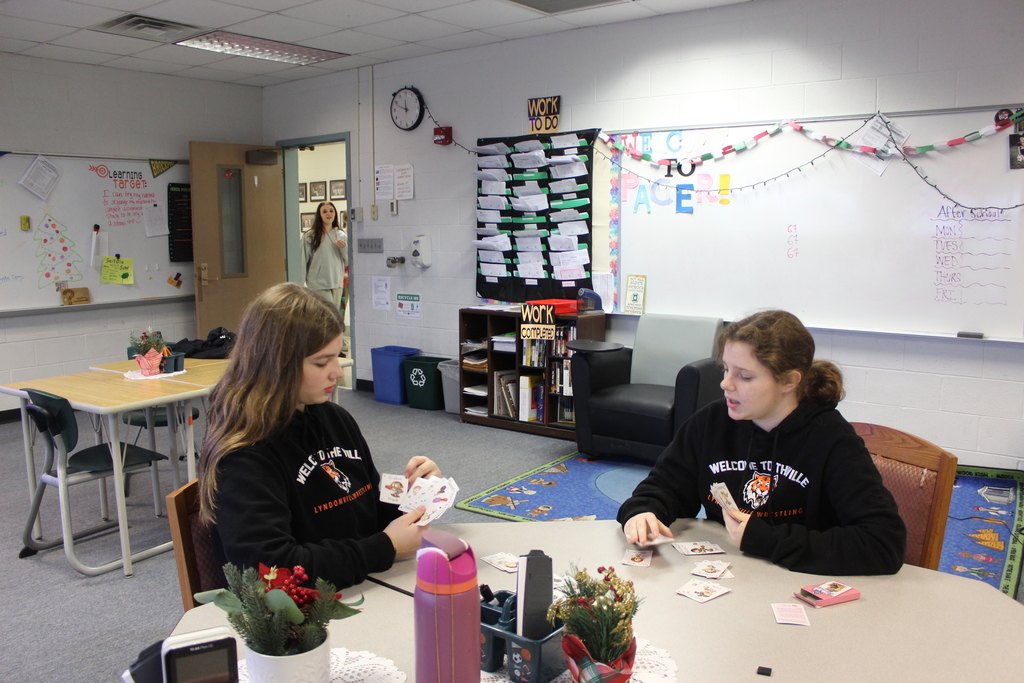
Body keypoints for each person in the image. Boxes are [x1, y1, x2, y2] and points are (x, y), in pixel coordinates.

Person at [617, 310, 906, 576]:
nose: (726, 384)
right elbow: (665, 486)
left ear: (789, 381)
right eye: (725, 370)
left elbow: (884, 544)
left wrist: (764, 539)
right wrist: (643, 511)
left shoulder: (831, 439)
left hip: (799, 584)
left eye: (744, 376)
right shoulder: (711, 423)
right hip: (733, 578)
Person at [197, 282, 440, 588]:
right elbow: (272, 570)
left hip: (356, 586)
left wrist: (416, 495)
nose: (337, 372)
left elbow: (366, 513)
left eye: (337, 357)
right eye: (322, 362)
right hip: (298, 615)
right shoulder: (245, 455)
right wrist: (385, 547)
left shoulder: (334, 419)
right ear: (277, 364)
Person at [302, 201, 349, 354]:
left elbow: (348, 260)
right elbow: (303, 260)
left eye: (331, 211)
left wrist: (343, 248)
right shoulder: (310, 236)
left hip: (336, 282)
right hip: (317, 283)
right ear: (319, 214)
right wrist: (301, 284)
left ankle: (333, 347)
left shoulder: (341, 235)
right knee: (325, 315)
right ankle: (325, 347)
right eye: (324, 211)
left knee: (335, 316)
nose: (328, 214)